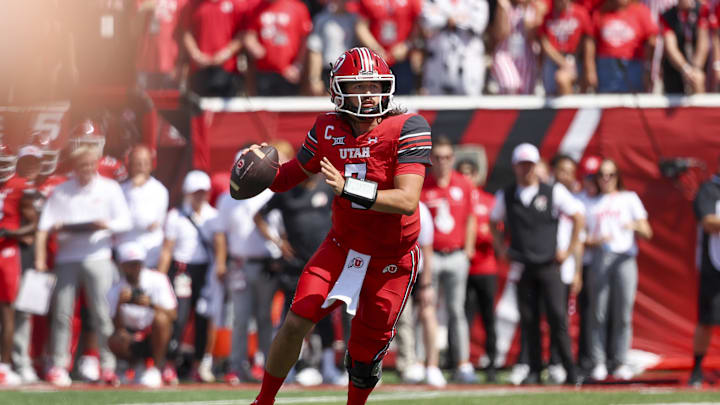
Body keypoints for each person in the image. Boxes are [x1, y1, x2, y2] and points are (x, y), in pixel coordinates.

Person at [248, 47, 432, 405]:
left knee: (364, 353)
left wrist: (350, 187)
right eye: (358, 87)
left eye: (373, 86)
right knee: (296, 320)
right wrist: (260, 173)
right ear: (339, 91)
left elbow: (407, 200)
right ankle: (263, 401)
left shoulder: (408, 127)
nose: (368, 95)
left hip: (392, 257)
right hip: (342, 246)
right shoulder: (327, 127)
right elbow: (291, 176)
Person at [35, 146, 132, 387]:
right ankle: (59, 365)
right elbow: (44, 226)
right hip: (67, 258)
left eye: (90, 165)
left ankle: (108, 366)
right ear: (74, 167)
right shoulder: (60, 191)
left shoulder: (109, 188)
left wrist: (103, 225)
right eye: (81, 166)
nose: (86, 170)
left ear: (96, 164)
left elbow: (125, 221)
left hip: (98, 255)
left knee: (102, 314)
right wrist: (45, 248)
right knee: (62, 314)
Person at [489, 143, 584, 385]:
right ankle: (534, 369)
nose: (526, 170)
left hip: (549, 264)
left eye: (530, 165)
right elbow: (493, 221)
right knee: (529, 320)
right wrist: (501, 248)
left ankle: (569, 369)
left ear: (537, 166)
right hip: (523, 264)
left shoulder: (553, 191)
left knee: (557, 318)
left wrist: (569, 249)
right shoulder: (507, 194)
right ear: (515, 167)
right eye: (522, 165)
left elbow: (578, 216)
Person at [214, 144, 291, 385]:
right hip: (240, 263)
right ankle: (237, 366)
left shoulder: (269, 194)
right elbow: (220, 232)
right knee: (240, 317)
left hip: (266, 265)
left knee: (265, 317)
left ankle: (270, 366)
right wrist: (220, 262)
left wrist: (280, 250)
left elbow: (281, 229)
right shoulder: (227, 199)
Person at [584, 158, 652, 381]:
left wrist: (632, 225)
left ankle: (620, 360)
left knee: (623, 312)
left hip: (625, 258)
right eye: (602, 174)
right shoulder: (590, 202)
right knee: (599, 312)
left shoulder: (628, 198)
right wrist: (594, 240)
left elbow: (647, 231)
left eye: (610, 174)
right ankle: (599, 361)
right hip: (600, 257)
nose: (606, 178)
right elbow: (580, 236)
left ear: (617, 176)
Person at [420, 137, 478, 384]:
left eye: (446, 157)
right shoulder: (424, 186)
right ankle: (429, 364)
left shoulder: (463, 184)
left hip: (455, 255)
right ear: (431, 159)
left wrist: (468, 248)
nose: (442, 162)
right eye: (438, 157)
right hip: (432, 256)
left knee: (457, 310)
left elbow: (472, 218)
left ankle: (463, 363)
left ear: (452, 159)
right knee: (427, 309)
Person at [157, 170, 219, 384]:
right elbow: (168, 249)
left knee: (203, 318)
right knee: (179, 317)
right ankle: (169, 363)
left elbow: (219, 246)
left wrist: (219, 270)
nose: (200, 196)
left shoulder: (213, 216)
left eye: (203, 192)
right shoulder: (176, 216)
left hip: (205, 272)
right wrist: (161, 276)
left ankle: (199, 364)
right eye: (196, 192)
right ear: (187, 193)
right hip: (181, 271)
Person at [0, 146, 44, 386]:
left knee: (9, 312)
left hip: (8, 251)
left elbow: (34, 223)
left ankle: (5, 366)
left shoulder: (21, 186)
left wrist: (11, 232)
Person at [107, 242, 178, 388]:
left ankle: (156, 368)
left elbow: (173, 315)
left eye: (137, 263)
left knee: (161, 319)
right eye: (131, 264)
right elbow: (115, 327)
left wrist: (150, 304)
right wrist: (121, 304)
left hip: (154, 335)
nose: (135, 268)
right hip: (131, 335)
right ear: (122, 265)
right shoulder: (116, 289)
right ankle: (133, 367)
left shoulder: (158, 279)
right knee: (116, 339)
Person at [393, 200, 447, 387]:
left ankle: (432, 365)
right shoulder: (388, 205)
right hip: (397, 271)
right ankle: (409, 364)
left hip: (419, 271)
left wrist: (427, 284)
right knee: (403, 318)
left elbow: (428, 249)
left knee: (428, 313)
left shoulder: (421, 210)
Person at [456, 158, 500, 382]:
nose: (466, 179)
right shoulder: (455, 200)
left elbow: (496, 232)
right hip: (463, 268)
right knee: (462, 317)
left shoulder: (489, 200)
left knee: (488, 317)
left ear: (477, 176)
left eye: (469, 174)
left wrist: (481, 235)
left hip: (486, 267)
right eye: (462, 174)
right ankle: (461, 363)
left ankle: (492, 362)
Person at [689, 156, 720, 387]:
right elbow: (708, 222)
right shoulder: (710, 190)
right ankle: (697, 368)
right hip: (715, 263)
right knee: (707, 319)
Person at [419, 0, 490, 96]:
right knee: (435, 104)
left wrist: (449, 18)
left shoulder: (477, 2)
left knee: (469, 106)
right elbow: (427, 20)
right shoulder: (432, 1)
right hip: (437, 66)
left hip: (468, 68)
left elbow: (478, 23)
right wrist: (455, 18)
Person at [244, 0, 313, 96]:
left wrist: (298, 66)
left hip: (289, 73)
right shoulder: (256, 8)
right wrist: (253, 46)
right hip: (264, 73)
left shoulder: (298, 7)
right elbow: (249, 34)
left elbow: (305, 41)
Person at [590, 0, 658, 93]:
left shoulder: (640, 11)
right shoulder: (600, 12)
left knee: (632, 103)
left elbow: (652, 41)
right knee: (608, 103)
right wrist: (590, 70)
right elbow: (590, 42)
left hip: (633, 65)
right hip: (606, 67)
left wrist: (647, 69)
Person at [119, 145, 169, 268]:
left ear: (151, 166)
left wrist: (133, 223)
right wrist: (133, 189)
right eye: (137, 163)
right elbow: (120, 221)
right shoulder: (121, 190)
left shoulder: (160, 190)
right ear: (130, 166)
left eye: (145, 163)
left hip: (151, 252)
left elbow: (153, 223)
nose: (141, 168)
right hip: (126, 251)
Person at [538, 0, 595, 94]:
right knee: (551, 92)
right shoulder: (548, 16)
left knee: (563, 79)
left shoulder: (580, 13)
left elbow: (588, 40)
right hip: (553, 59)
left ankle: (570, 108)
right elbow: (544, 43)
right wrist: (562, 61)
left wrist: (589, 67)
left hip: (574, 57)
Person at [305, 0, 359, 96]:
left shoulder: (355, 20)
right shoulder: (322, 20)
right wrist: (315, 78)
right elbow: (315, 51)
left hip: (351, 71)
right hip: (329, 70)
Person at [659, 0, 710, 94]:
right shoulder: (667, 16)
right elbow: (671, 48)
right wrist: (685, 69)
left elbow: (703, 43)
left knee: (698, 79)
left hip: (697, 66)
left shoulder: (702, 11)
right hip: (675, 69)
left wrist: (695, 70)